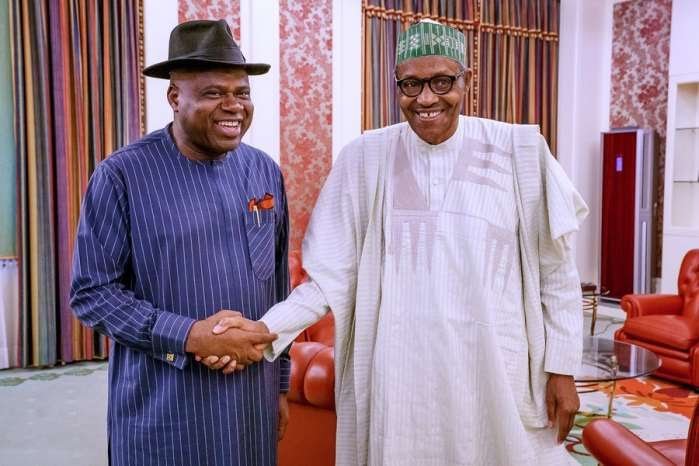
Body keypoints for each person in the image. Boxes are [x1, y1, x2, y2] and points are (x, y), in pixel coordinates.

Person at [214, 19, 589, 466]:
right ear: (397, 84)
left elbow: (556, 271)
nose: (426, 98)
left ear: (466, 80)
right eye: (411, 84)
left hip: (495, 371)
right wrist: (265, 330)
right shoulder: (364, 158)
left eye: (442, 81)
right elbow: (328, 279)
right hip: (401, 379)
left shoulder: (518, 150)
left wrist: (562, 368)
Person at [70, 19, 289, 466]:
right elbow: (91, 292)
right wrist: (190, 336)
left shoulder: (265, 171)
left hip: (251, 406)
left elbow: (278, 286)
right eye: (213, 93)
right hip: (165, 413)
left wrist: (281, 386)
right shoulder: (121, 176)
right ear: (174, 97)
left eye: (242, 92)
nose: (233, 106)